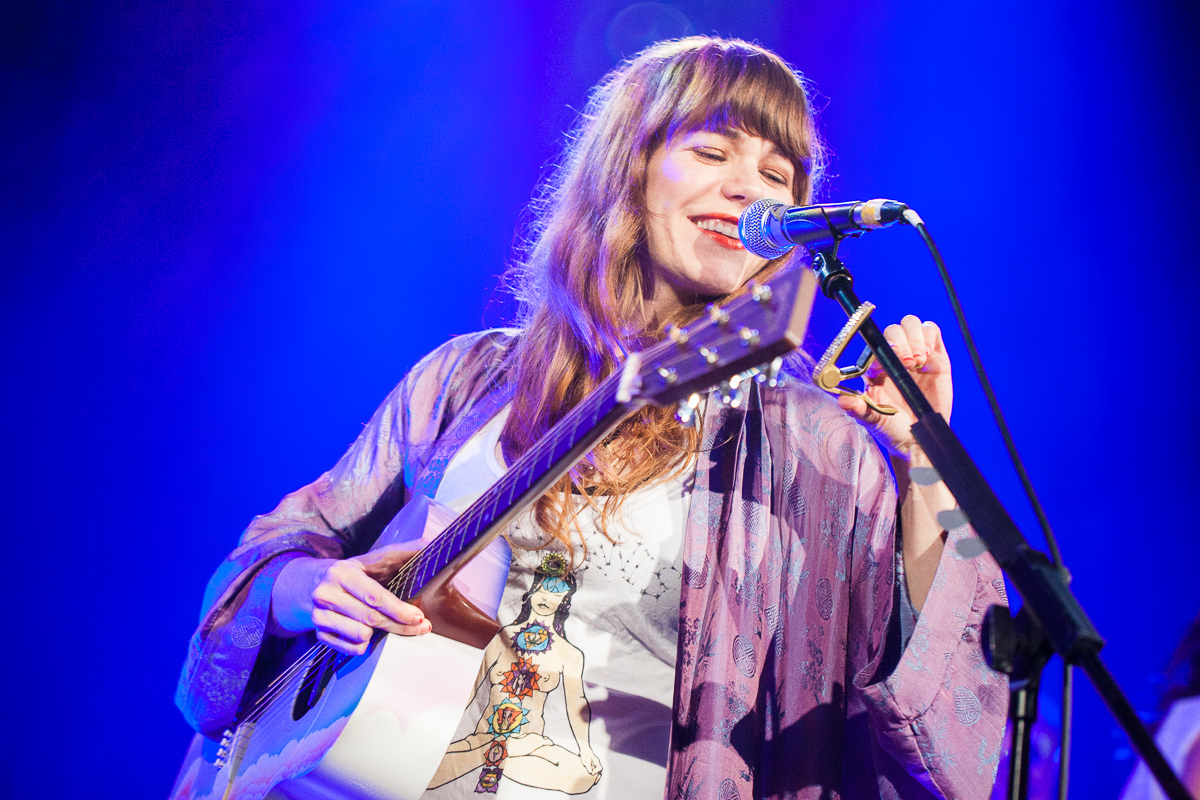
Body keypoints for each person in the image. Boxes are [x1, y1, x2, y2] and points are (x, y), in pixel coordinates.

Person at [174, 36, 1008, 799]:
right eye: (712, 151)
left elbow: (935, 704)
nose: (748, 187)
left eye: (777, 175)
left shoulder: (808, 444)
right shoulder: (469, 379)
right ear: (629, 168)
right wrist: (309, 589)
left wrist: (922, 461)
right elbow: (279, 548)